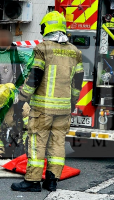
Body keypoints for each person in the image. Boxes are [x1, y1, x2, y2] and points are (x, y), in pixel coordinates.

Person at [11, 11, 84, 192]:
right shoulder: (75, 52)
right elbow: (78, 82)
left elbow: (35, 77)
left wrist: (22, 99)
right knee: (58, 143)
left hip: (43, 108)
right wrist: (72, 102)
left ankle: (33, 182)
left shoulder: (42, 49)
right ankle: (52, 181)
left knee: (37, 142)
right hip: (64, 108)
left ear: (47, 27)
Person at [0, 29, 30, 157]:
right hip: (1, 95)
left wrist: (23, 86)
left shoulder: (15, 52)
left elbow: (27, 65)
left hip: (14, 93)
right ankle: (1, 149)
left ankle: (23, 146)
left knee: (25, 115)